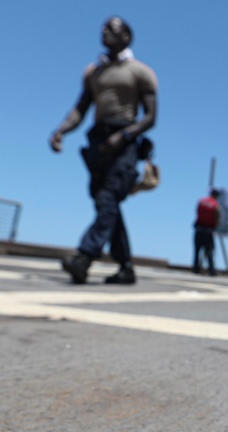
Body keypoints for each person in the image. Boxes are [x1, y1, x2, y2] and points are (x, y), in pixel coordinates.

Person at [50, 16, 158, 285]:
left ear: (127, 37)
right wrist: (61, 130)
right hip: (98, 140)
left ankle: (84, 257)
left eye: (113, 28)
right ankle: (126, 267)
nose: (105, 30)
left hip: (125, 142)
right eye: (104, 27)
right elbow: (80, 109)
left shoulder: (141, 72)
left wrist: (124, 136)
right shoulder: (93, 72)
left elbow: (150, 117)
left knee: (108, 197)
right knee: (105, 201)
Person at [193, 190, 221, 275]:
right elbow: (217, 216)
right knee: (209, 251)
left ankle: (196, 269)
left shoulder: (201, 201)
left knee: (197, 250)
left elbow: (197, 212)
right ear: (216, 195)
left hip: (198, 229)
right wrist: (216, 225)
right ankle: (211, 270)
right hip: (208, 230)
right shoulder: (215, 205)